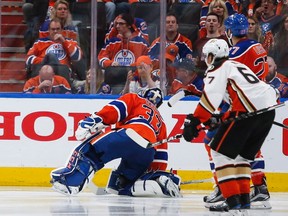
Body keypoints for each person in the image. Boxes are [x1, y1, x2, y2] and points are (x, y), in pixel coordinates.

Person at [182, 38, 277, 211]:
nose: (205, 59)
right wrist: (219, 117)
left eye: (206, 56)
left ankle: (232, 200)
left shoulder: (218, 69)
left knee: (218, 153)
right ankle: (243, 201)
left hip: (248, 112)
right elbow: (240, 98)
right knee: (241, 157)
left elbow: (209, 100)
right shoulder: (236, 65)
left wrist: (195, 121)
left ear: (212, 55)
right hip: (268, 111)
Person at [50, 87, 181, 197]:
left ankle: (71, 182)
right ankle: (157, 181)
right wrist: (155, 172)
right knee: (123, 183)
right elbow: (161, 155)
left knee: (90, 153)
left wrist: (96, 119)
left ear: (144, 94)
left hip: (130, 133)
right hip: (148, 149)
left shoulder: (136, 98)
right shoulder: (161, 122)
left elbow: (116, 109)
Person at [202, 13, 272, 206]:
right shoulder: (256, 46)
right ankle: (259, 187)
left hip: (241, 103)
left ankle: (224, 188)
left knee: (212, 143)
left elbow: (226, 78)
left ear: (231, 31)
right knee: (249, 149)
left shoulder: (235, 52)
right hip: (257, 100)